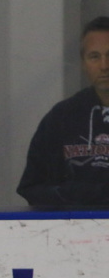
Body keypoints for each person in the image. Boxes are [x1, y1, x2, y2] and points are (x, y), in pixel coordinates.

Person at [17, 16, 109, 208]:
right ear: (83, 63)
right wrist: (79, 195)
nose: (104, 66)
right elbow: (32, 189)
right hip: (69, 233)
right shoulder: (61, 117)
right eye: (94, 56)